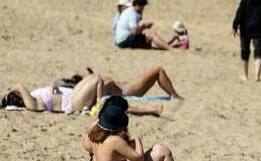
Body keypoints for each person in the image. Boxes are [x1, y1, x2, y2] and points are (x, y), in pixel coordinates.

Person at [84, 99, 205, 161]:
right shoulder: (115, 141)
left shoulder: (93, 138)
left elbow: (87, 147)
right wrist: (137, 139)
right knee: (161, 150)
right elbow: (140, 160)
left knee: (157, 156)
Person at [3, 68, 175, 115]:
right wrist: (16, 87)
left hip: (75, 96)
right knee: (98, 80)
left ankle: (151, 110)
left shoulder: (36, 94)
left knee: (112, 101)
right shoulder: (34, 102)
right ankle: (101, 102)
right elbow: (31, 104)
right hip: (74, 103)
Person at [232, 0, 261, 82]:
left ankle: (245, 75)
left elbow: (239, 14)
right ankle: (257, 76)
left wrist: (235, 26)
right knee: (258, 50)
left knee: (245, 51)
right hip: (258, 29)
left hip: (245, 29)